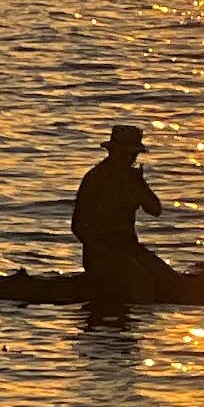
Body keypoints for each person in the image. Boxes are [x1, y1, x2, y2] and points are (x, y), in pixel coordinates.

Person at [73, 122, 173, 307]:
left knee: (172, 280)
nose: (130, 158)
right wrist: (104, 252)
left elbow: (155, 210)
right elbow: (77, 226)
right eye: (126, 154)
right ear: (113, 152)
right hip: (100, 252)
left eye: (133, 154)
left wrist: (140, 185)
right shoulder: (95, 178)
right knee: (141, 281)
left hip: (129, 248)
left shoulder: (133, 179)